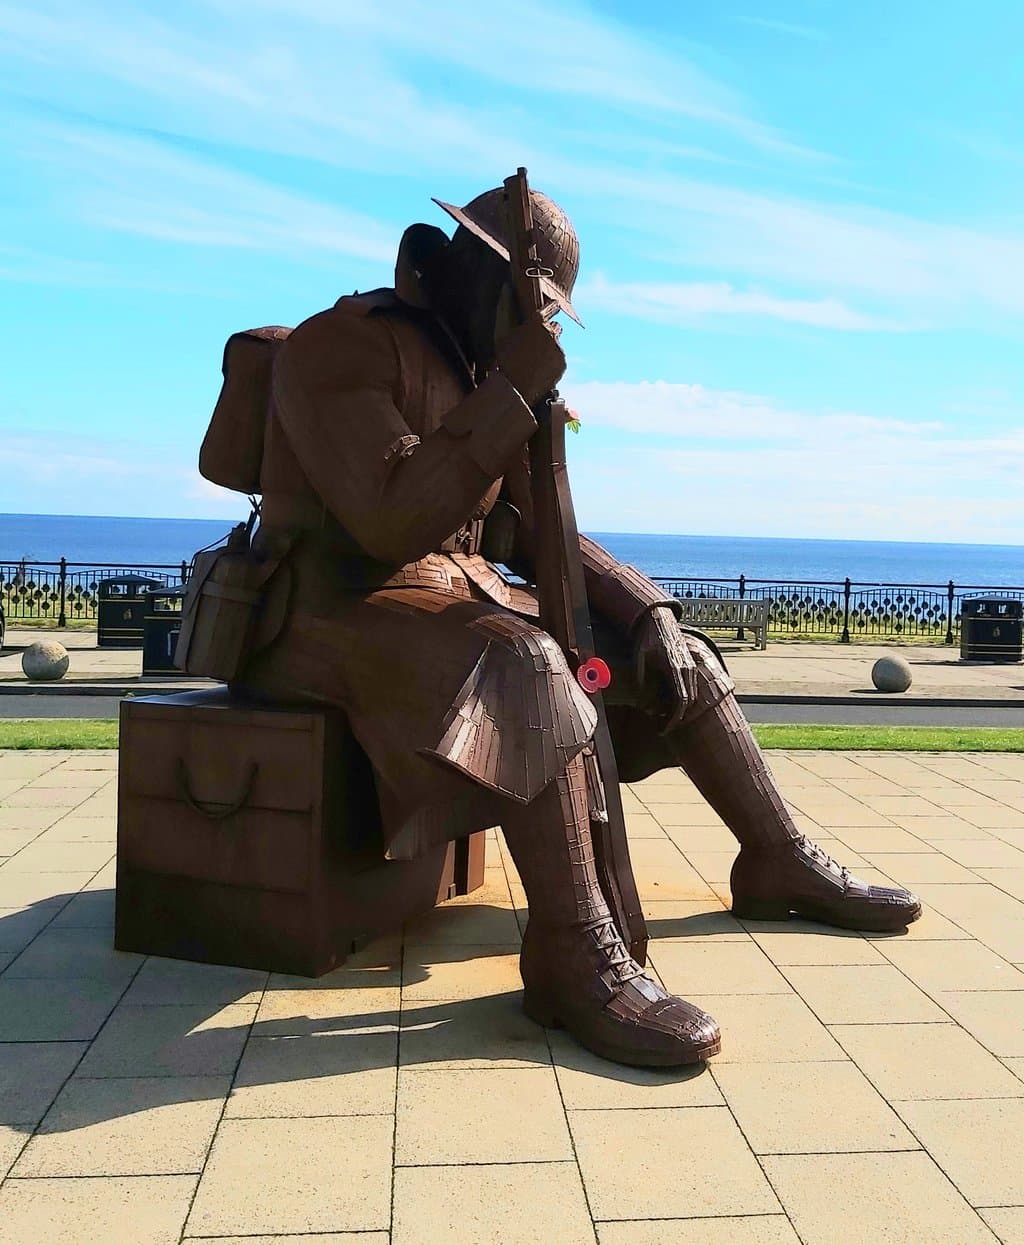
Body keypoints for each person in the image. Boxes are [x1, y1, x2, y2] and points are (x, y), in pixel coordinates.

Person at [233, 184, 921, 1067]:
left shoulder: (481, 374)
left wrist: (646, 612)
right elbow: (388, 521)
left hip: (442, 602)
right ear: (487, 277)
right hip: (325, 611)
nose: (540, 331)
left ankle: (777, 858)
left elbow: (539, 531)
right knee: (523, 664)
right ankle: (572, 948)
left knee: (684, 665)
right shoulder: (342, 347)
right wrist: (515, 387)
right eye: (532, 308)